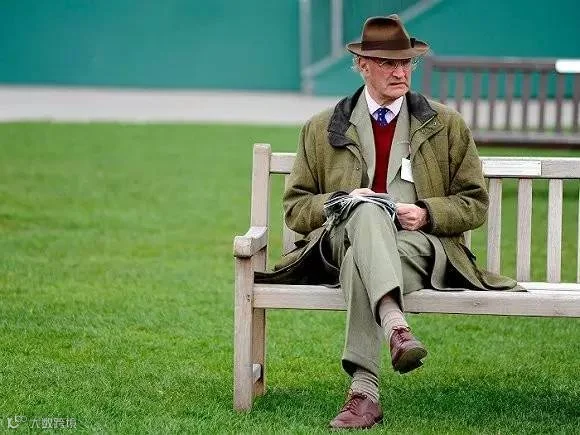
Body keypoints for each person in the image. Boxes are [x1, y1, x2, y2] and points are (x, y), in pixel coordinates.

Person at [256, 14, 518, 430]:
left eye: (406, 63)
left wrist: (428, 213)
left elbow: (474, 204)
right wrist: (343, 201)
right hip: (339, 239)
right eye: (387, 63)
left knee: (360, 261)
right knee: (364, 210)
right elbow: (296, 209)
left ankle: (364, 393)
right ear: (363, 66)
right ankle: (397, 327)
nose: (400, 72)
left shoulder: (445, 123)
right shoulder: (323, 126)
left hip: (417, 245)